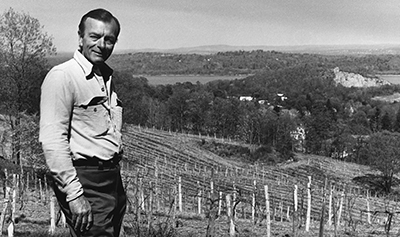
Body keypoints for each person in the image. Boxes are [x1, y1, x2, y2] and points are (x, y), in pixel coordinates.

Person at [39, 8, 126, 236]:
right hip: (86, 180)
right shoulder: (63, 77)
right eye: (94, 37)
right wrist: (74, 194)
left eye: (109, 39)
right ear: (80, 38)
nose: (101, 45)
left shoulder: (105, 77)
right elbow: (52, 140)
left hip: (111, 178)